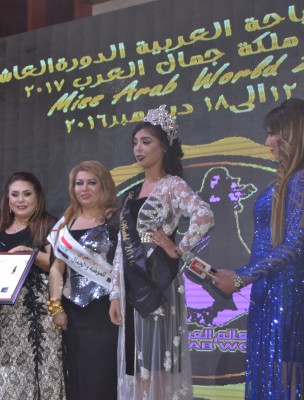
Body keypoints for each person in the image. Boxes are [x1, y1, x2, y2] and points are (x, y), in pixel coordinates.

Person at [108, 105, 214, 400]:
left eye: (146, 142)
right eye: (135, 142)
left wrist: (177, 248)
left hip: (158, 280)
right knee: (137, 365)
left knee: (157, 365)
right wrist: (115, 293)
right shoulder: (131, 193)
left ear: (164, 147)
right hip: (132, 283)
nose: (138, 149)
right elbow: (122, 245)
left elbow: (204, 215)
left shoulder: (172, 185)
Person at [214, 98, 304, 399]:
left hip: (286, 294)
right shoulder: (287, 179)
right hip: (269, 290)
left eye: (272, 133)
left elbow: (297, 242)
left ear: (290, 134)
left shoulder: (300, 179)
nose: (267, 142)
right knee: (272, 378)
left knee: (284, 380)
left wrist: (242, 277)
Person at [0, 171, 65, 400]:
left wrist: (30, 254)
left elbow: (58, 265)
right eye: (15, 194)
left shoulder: (50, 225)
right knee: (12, 379)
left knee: (46, 374)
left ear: (37, 197)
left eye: (27, 194)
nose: (20, 200)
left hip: (43, 315)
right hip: (9, 318)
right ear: (8, 198)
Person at [48, 160, 120, 400]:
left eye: (92, 183)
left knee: (102, 376)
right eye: (79, 183)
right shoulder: (65, 223)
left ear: (104, 186)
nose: (84, 189)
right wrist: (56, 307)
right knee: (78, 376)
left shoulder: (115, 220)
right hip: (74, 313)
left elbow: (123, 266)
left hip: (106, 311)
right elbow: (56, 268)